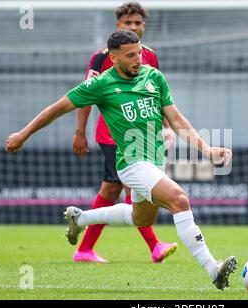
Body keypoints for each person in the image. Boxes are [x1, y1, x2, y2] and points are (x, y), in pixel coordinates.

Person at [6, 30, 237, 290]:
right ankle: (213, 269)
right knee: (179, 200)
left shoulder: (154, 77)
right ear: (114, 58)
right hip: (131, 163)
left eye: (139, 52)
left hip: (156, 160)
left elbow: (176, 119)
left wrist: (206, 150)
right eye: (130, 55)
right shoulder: (101, 84)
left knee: (142, 219)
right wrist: (23, 134)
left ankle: (80, 219)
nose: (138, 59)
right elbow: (58, 108)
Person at [72, 2, 177, 264]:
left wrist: (165, 128)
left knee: (109, 191)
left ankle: (84, 248)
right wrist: (79, 132)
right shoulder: (101, 57)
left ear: (144, 26)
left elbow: (156, 97)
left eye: (137, 23)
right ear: (118, 26)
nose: (133, 27)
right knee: (135, 188)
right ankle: (155, 245)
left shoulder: (150, 56)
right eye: (127, 23)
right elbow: (84, 97)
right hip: (113, 136)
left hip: (144, 136)